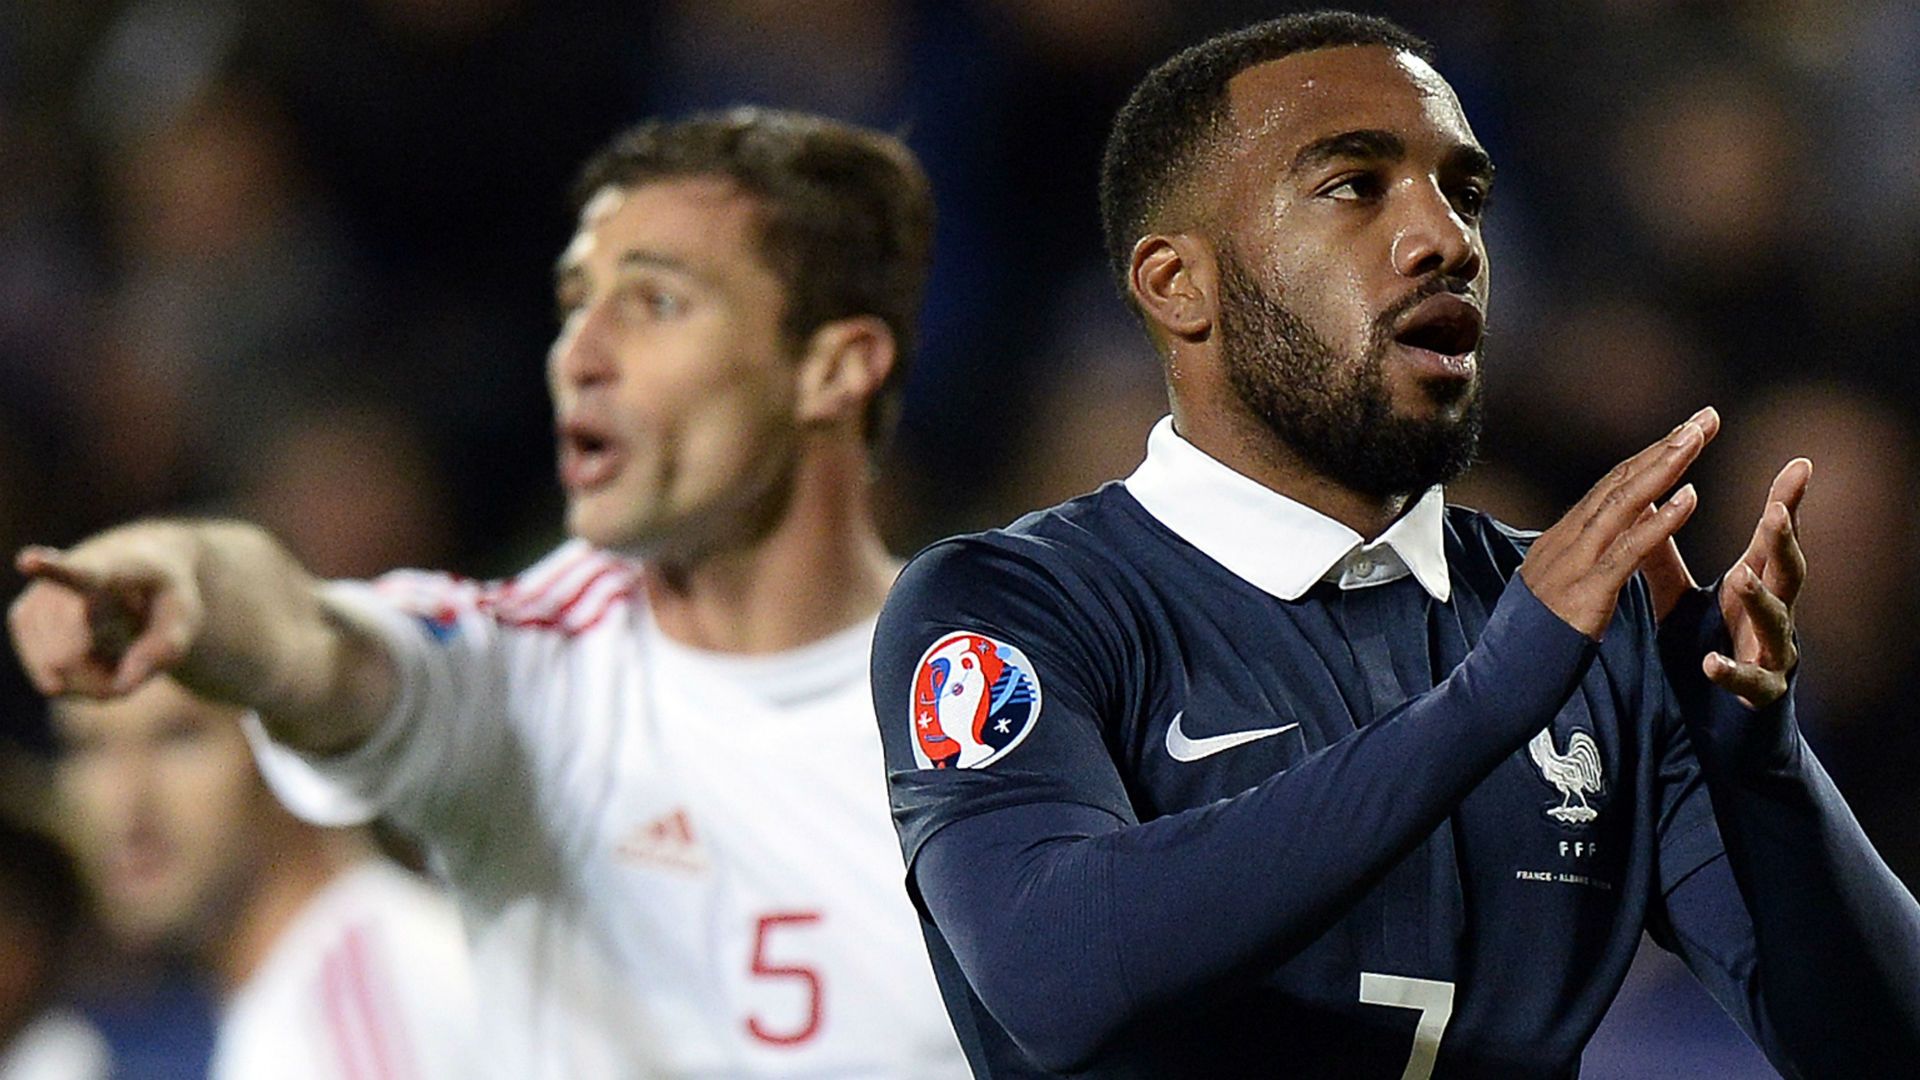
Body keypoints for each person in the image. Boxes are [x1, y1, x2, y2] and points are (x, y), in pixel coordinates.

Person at [869, 12, 1920, 1078]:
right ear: (1179, 286)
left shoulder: (1594, 626)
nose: (1446, 238)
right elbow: (1058, 975)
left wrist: (1764, 768)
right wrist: (1491, 700)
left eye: (1464, 193)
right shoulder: (1015, 607)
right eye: (1354, 187)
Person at [9, 108, 968, 1078]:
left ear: (833, 369)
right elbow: (312, 643)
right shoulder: (521, 671)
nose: (579, 356)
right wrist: (183, 580)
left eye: (656, 303)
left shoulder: (1013, 697)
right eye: (574, 303)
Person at [50, 677, 476, 1080]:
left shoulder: (356, 1006)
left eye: (179, 736)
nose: (126, 805)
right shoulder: (297, 1002)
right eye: (88, 747)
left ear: (289, 744)